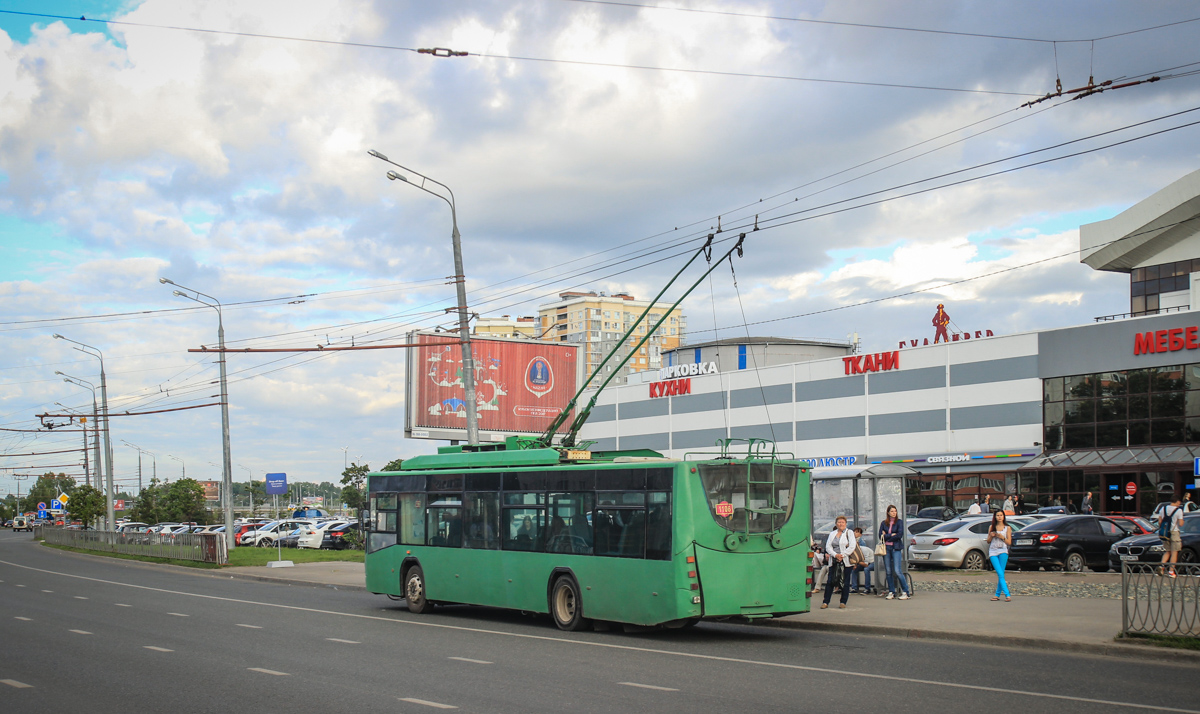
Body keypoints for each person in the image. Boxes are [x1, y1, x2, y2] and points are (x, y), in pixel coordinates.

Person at [822, 516, 857, 609]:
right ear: (836, 524)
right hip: (834, 560)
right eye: (839, 522)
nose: (841, 524)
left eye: (842, 522)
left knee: (845, 582)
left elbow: (852, 546)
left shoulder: (849, 533)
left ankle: (843, 602)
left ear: (846, 523)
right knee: (830, 581)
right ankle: (825, 602)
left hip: (845, 561)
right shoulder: (832, 534)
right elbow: (828, 547)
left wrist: (842, 555)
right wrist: (835, 555)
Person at [877, 505, 910, 600]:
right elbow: (880, 536)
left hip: (896, 548)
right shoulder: (884, 523)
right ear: (888, 512)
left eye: (895, 511)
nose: (894, 513)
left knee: (897, 570)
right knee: (888, 571)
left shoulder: (899, 522)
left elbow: (899, 535)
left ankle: (905, 592)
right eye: (892, 511)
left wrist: (887, 535)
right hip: (886, 548)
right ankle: (892, 591)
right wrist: (891, 534)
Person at [987, 510, 1013, 602]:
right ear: (995, 517)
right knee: (1000, 573)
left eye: (1001, 515)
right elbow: (988, 541)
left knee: (1001, 574)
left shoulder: (1007, 528)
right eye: (997, 515)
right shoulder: (991, 527)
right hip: (993, 551)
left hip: (1003, 550)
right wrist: (992, 535)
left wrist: (1002, 537)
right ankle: (1007, 594)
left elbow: (1009, 542)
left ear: (1003, 516)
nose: (999, 517)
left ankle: (997, 595)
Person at [1158, 495, 1186, 578]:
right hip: (1174, 532)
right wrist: (1182, 520)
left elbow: (1160, 522)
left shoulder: (1163, 509)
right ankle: (1171, 571)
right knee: (1174, 552)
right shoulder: (1179, 510)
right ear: (1177, 501)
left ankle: (1162, 566)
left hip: (1165, 533)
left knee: (1168, 551)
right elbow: (1180, 524)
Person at [845, 527, 872, 594]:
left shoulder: (863, 549)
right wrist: (855, 565)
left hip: (871, 562)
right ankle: (854, 588)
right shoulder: (852, 544)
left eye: (857, 532)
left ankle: (867, 588)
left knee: (866, 569)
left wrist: (857, 562)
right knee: (853, 570)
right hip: (861, 562)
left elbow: (866, 564)